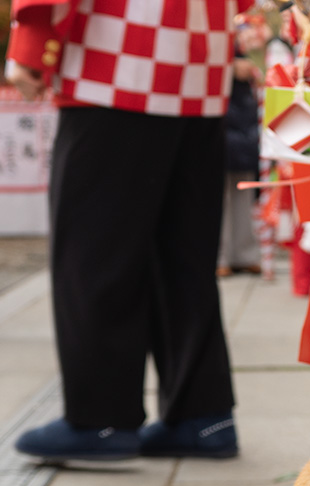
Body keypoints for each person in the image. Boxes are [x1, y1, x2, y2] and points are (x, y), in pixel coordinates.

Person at [6, 0, 249, 462]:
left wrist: (32, 44)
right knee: (184, 257)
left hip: (114, 60)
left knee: (93, 253)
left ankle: (100, 419)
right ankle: (203, 416)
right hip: (201, 62)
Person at [217, 52, 262, 278]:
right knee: (219, 200)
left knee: (243, 198)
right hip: (221, 127)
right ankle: (221, 257)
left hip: (243, 133)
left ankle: (245, 255)